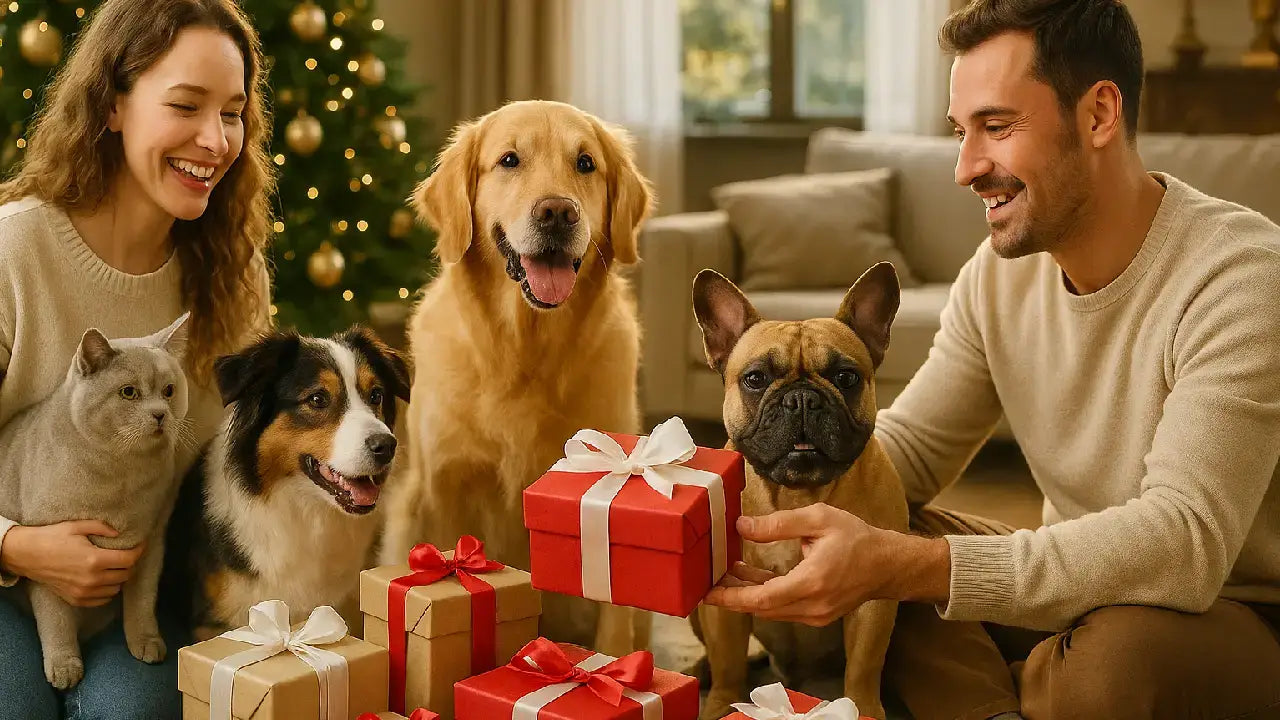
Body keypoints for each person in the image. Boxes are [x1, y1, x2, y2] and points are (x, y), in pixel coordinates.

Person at [704, 1, 1280, 718]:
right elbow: (903, 458)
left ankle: (1012, 685)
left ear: (1099, 115)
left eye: (997, 127)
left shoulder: (1241, 278)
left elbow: (1184, 544)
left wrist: (910, 567)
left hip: (1237, 608)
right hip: (1079, 580)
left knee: (1109, 666)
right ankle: (1014, 697)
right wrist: (753, 507)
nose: (965, 168)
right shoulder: (998, 275)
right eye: (960, 132)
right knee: (885, 537)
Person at [0, 0, 274, 717]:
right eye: (185, 105)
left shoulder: (235, 280)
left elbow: (240, 466)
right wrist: (16, 546)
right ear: (113, 105)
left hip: (141, 587)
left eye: (233, 113)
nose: (215, 140)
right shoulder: (14, 252)